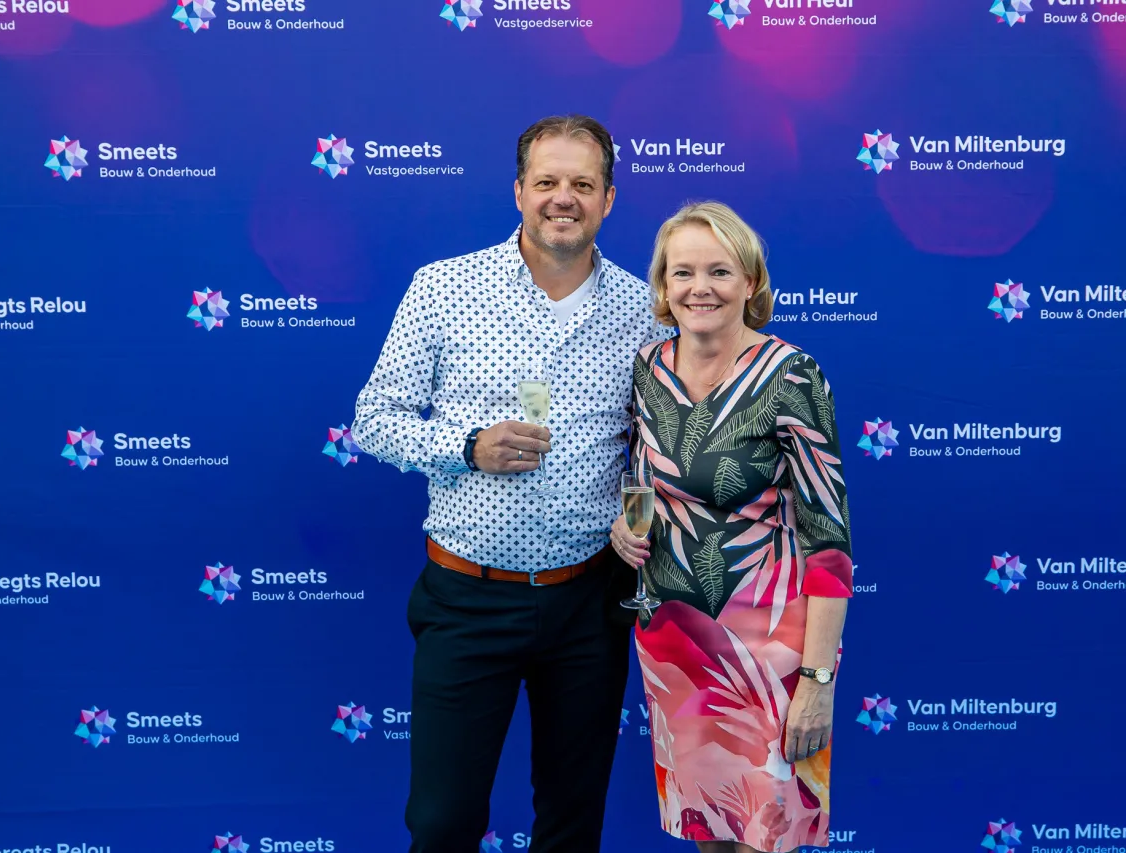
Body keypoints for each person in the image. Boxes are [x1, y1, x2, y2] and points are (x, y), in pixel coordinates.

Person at [350, 114, 665, 853]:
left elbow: (654, 447)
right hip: (467, 598)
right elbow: (374, 419)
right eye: (547, 181)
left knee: (571, 822)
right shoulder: (444, 287)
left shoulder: (644, 312)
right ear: (519, 191)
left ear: (609, 199)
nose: (564, 198)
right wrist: (466, 447)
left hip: (589, 602)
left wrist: (638, 514)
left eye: (583, 183)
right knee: (442, 822)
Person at [610, 201, 854, 852]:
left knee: (764, 839)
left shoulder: (792, 376)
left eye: (719, 271)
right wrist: (624, 527)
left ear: (751, 281)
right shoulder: (648, 368)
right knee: (709, 834)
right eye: (682, 272)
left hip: (768, 655)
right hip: (674, 641)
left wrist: (817, 682)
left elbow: (830, 543)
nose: (700, 288)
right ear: (663, 286)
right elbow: (643, 475)